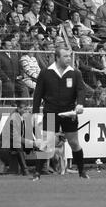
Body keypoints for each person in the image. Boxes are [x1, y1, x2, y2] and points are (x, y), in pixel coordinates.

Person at [32, 46, 89, 180]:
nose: (69, 58)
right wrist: (35, 112)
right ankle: (37, 173)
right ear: (57, 57)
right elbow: (38, 93)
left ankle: (82, 172)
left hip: (69, 113)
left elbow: (81, 91)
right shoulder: (46, 72)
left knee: (74, 142)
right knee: (46, 143)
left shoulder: (75, 73)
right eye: (65, 56)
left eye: (69, 56)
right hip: (51, 112)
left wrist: (80, 104)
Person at [0, 100, 37, 175]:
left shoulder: (23, 117)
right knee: (18, 144)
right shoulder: (13, 119)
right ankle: (25, 170)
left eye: (28, 109)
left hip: (13, 143)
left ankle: (43, 169)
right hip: (4, 146)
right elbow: (16, 138)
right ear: (18, 109)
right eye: (25, 109)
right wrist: (32, 143)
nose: (27, 111)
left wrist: (36, 142)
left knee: (41, 143)